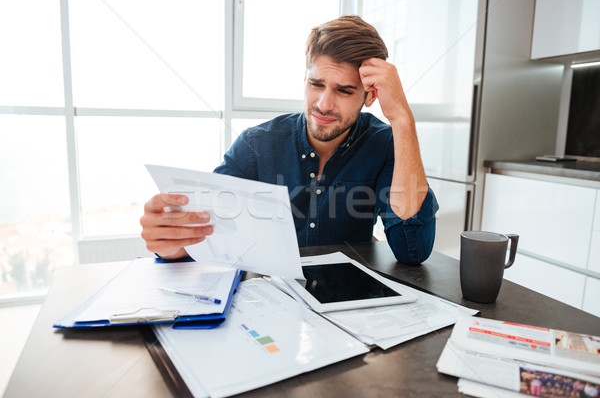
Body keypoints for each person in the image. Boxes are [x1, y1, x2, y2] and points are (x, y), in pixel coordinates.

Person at [140, 15, 438, 264]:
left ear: (369, 95)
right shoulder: (256, 145)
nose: (323, 103)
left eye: (344, 91)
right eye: (316, 84)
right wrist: (167, 244)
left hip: (346, 305)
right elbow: (205, 235)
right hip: (264, 302)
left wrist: (402, 119)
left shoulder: (385, 144)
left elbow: (412, 250)